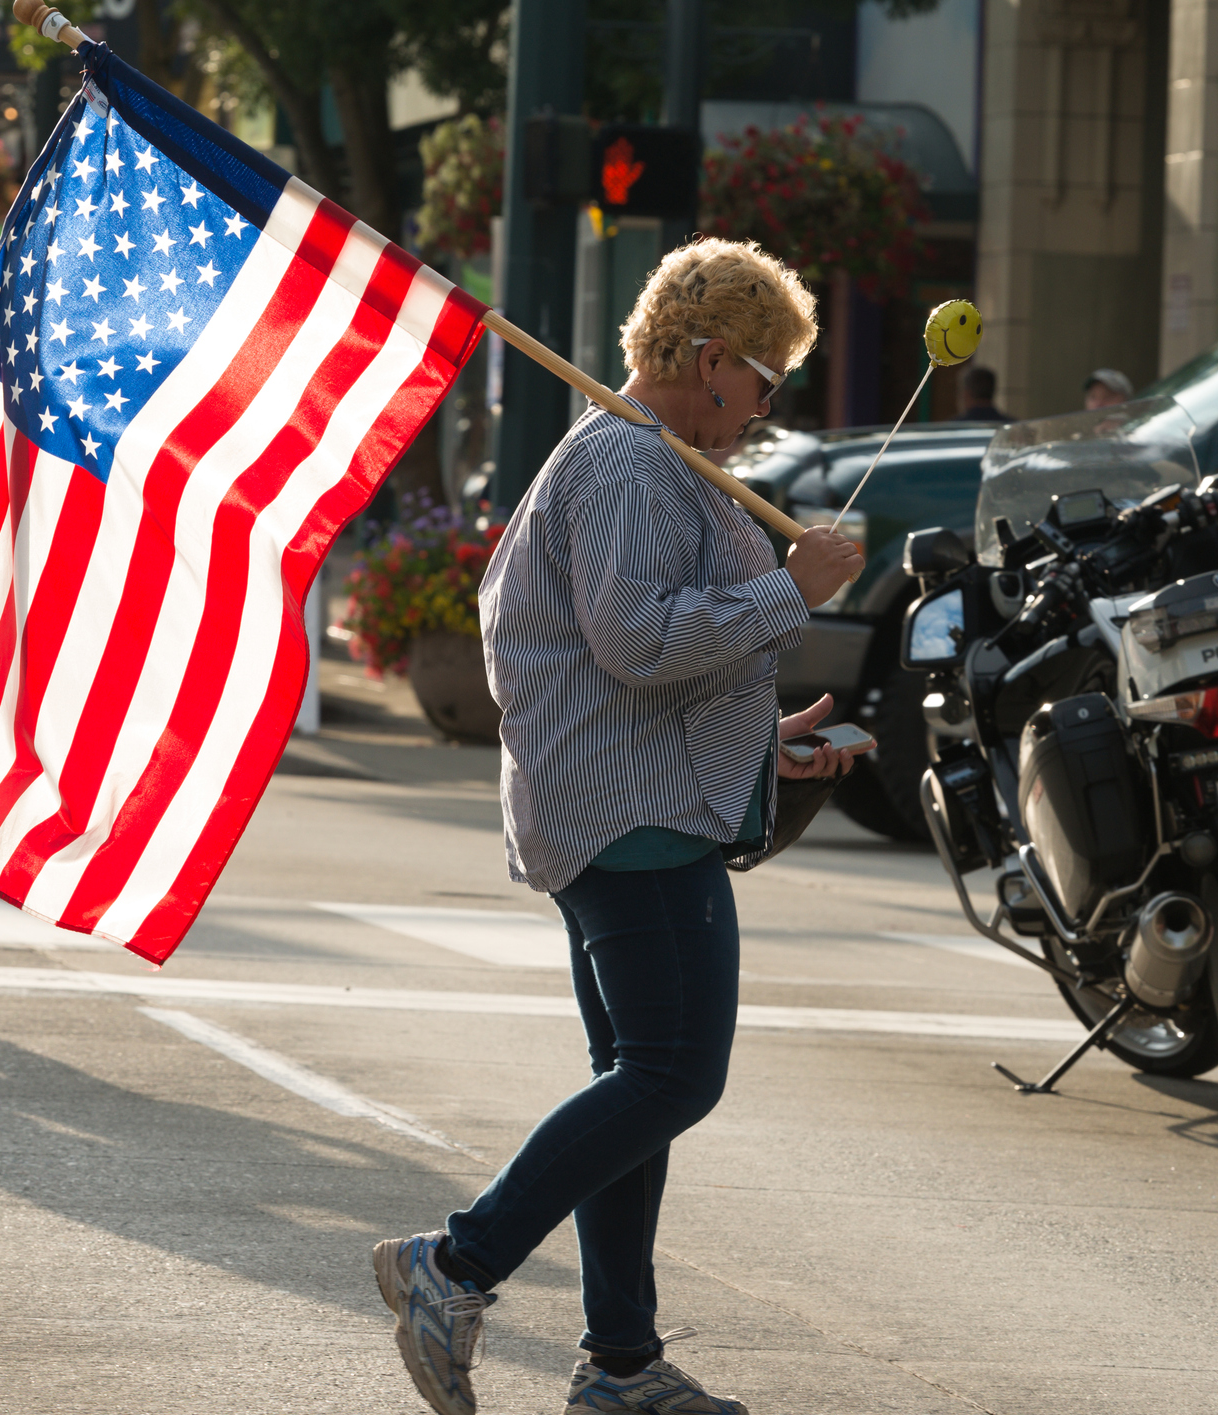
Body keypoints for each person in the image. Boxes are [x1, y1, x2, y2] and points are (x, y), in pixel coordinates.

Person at [372, 238, 867, 1415]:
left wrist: (764, 734)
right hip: (632, 818)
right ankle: (455, 1262)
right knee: (670, 1075)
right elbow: (636, 640)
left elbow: (646, 651)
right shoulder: (631, 468)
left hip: (626, 802)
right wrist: (795, 589)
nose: (763, 408)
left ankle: (622, 1364)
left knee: (634, 1082)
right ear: (707, 359)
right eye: (763, 380)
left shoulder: (638, 462)